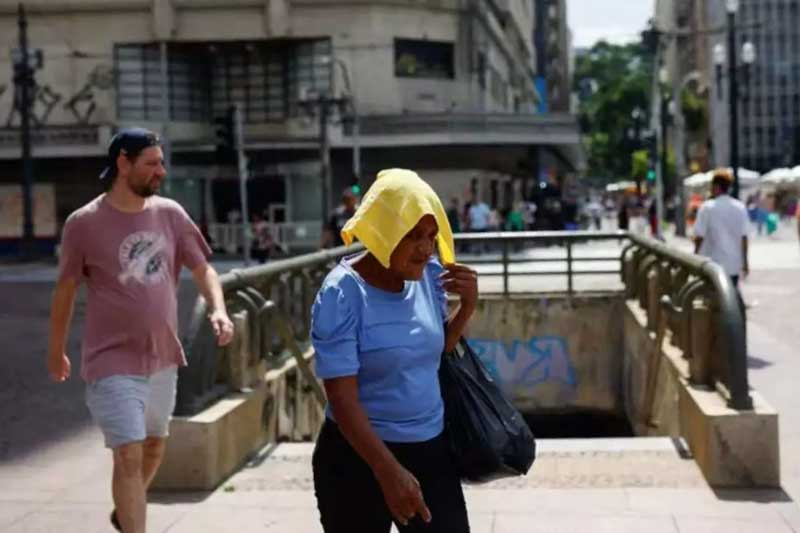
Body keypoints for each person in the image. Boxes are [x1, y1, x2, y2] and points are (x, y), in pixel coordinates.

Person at [46, 128, 235, 533]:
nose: (160, 172)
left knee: (153, 448)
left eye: (161, 163)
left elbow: (203, 268)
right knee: (128, 456)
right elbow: (65, 290)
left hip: (162, 356)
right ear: (123, 164)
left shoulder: (170, 214)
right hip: (110, 358)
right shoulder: (83, 223)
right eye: (152, 164)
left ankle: (125, 508)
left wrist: (218, 310)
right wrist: (55, 348)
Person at [310, 168, 477, 533]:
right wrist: (387, 470)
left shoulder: (429, 276)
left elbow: (432, 354)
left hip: (429, 448)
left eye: (431, 236)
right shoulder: (342, 294)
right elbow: (341, 398)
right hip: (357, 457)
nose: (425, 248)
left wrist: (466, 308)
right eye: (413, 236)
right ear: (384, 232)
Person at [694, 168, 750, 288]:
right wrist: (745, 262)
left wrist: (695, 256)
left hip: (712, 263)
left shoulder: (707, 208)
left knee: (713, 299)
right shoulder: (740, 207)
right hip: (734, 264)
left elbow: (699, 236)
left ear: (716, 186)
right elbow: (744, 237)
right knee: (731, 296)